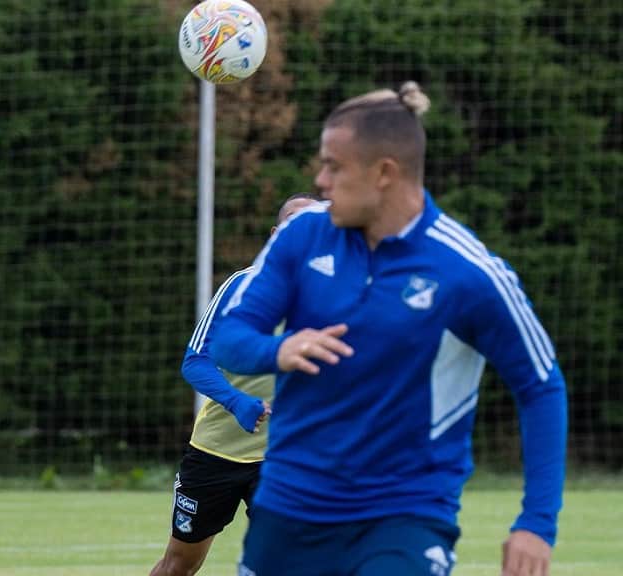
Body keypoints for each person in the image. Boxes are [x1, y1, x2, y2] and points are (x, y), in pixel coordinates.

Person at [212, 82, 567, 576]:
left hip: (405, 516)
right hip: (289, 507)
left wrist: (537, 522)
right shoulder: (301, 237)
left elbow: (541, 385)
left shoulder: (468, 273)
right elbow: (227, 339)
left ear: (384, 173)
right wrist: (279, 349)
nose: (320, 180)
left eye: (334, 166)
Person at [150, 193, 320, 576]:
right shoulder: (241, 288)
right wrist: (236, 401)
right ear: (276, 233)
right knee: (179, 565)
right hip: (216, 452)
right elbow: (195, 362)